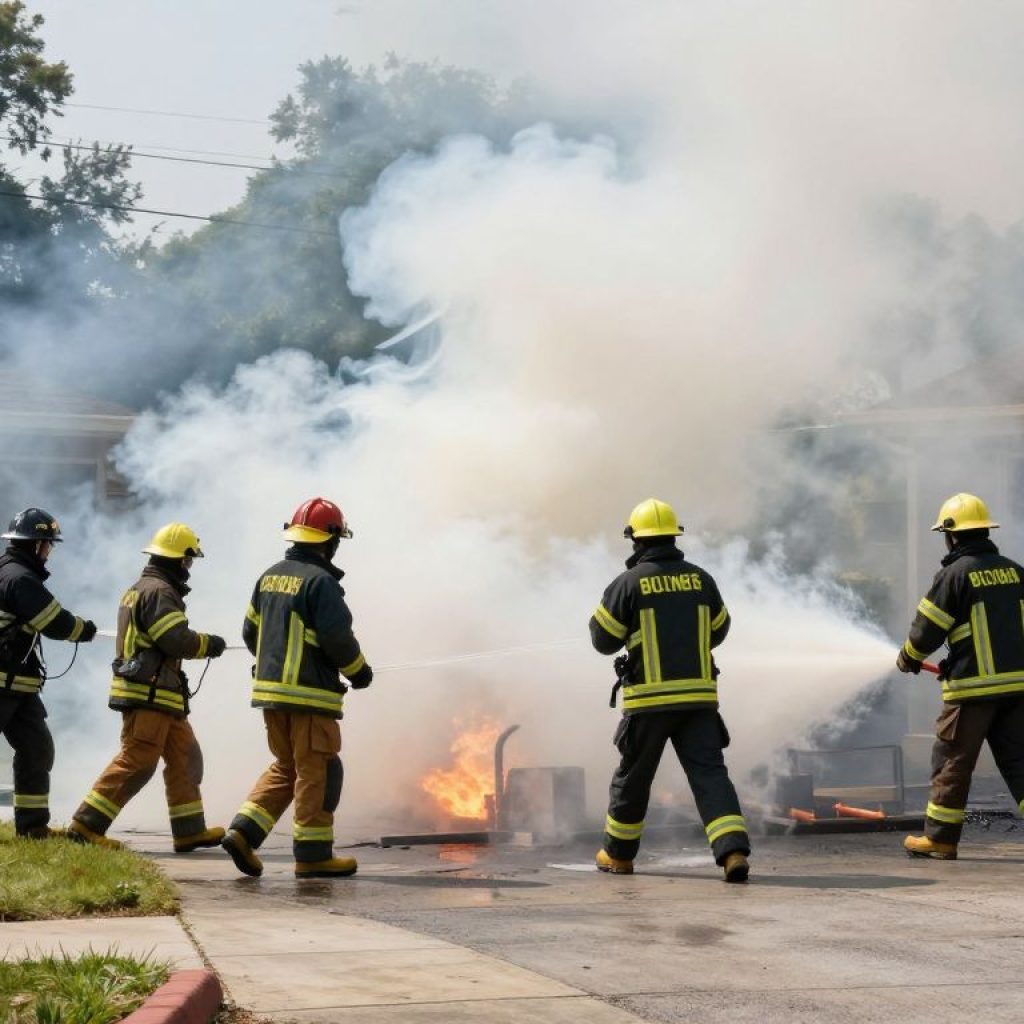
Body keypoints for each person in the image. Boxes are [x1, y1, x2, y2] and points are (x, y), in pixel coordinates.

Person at [589, 498, 750, 882]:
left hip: (649, 703)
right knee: (710, 776)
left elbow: (603, 639)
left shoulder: (627, 584)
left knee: (633, 778)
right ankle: (733, 853)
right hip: (699, 701)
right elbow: (719, 630)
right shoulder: (701, 579)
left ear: (636, 541)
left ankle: (619, 856)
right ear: (673, 537)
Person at [221, 497, 374, 879]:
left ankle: (243, 833)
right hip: (309, 697)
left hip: (271, 696)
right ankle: (313, 855)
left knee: (287, 768)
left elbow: (249, 631)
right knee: (318, 772)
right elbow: (338, 639)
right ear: (330, 539)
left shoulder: (268, 576)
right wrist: (359, 673)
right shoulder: (321, 583)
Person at [68, 523, 227, 851]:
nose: (190, 568)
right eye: (188, 561)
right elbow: (175, 640)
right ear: (178, 560)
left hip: (162, 694)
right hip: (148, 694)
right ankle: (86, 826)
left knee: (186, 757)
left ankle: (189, 830)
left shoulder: (145, 587)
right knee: (138, 761)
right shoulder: (159, 592)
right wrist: (208, 644)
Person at [896, 493, 1024, 860]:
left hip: (972, 691)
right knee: (1020, 762)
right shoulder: (1015, 570)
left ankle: (940, 839)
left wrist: (908, 657)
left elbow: (926, 630)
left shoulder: (954, 575)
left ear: (951, 535)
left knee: (952, 761)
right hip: (1018, 688)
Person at [0, 508, 96, 838]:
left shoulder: (10, 571)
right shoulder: (20, 578)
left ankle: (32, 829)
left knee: (37, 749)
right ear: (37, 544)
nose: (49, 552)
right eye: (48, 545)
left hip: (18, 685)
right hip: (3, 684)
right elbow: (54, 621)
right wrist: (84, 629)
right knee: (35, 750)